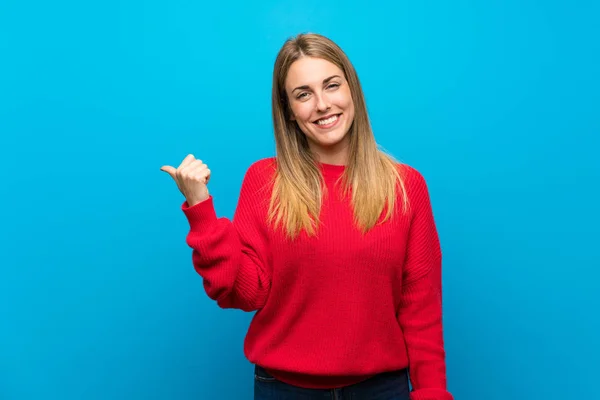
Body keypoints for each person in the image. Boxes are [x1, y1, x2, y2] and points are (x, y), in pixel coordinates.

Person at [161, 33, 453, 400]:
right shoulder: (264, 181)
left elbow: (421, 308)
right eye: (303, 94)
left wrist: (432, 393)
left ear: (352, 91)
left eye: (331, 86)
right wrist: (201, 210)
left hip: (382, 389)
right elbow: (239, 291)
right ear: (288, 111)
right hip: (283, 390)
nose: (322, 104)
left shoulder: (406, 187)